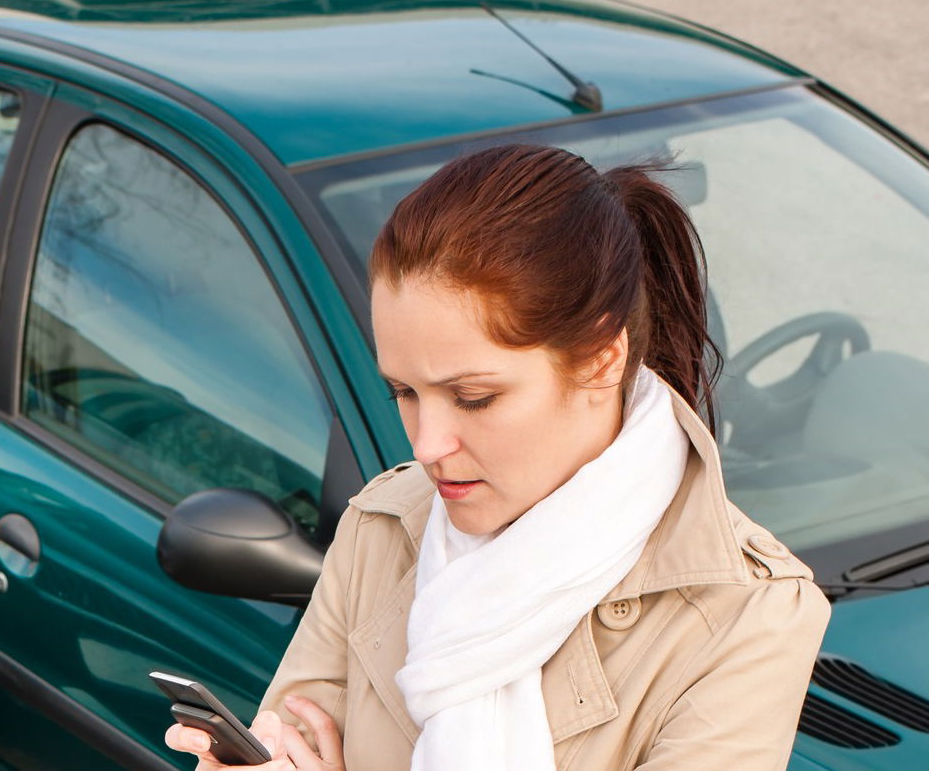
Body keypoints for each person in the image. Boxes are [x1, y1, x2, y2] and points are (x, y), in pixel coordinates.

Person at [164, 144, 830, 771]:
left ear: (602, 360)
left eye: (473, 397)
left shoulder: (747, 613)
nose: (426, 446)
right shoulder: (382, 527)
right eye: (403, 391)